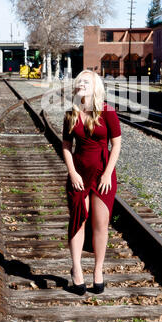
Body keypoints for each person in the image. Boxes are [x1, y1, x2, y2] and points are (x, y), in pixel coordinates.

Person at [62, 69, 121, 295]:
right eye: (79, 81)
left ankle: (98, 270)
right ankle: (77, 269)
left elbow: (116, 144)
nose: (81, 84)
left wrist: (107, 174)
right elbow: (66, 146)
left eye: (86, 81)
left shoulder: (107, 112)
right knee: (78, 219)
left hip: (102, 174)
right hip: (79, 173)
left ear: (95, 86)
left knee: (100, 223)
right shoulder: (71, 113)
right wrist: (73, 173)